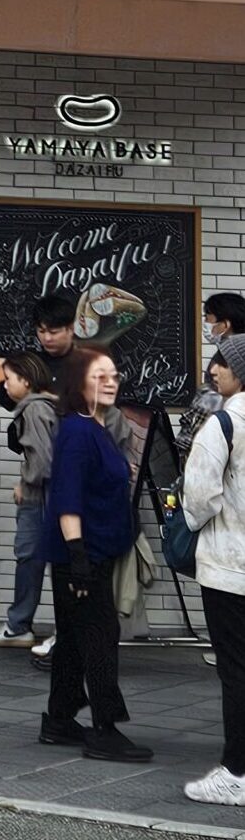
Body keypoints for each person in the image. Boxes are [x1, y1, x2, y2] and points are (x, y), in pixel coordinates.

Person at [40, 345, 149, 763]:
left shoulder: (94, 426)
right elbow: (67, 500)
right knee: (101, 639)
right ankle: (105, 728)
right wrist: (79, 559)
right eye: (98, 375)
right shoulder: (78, 432)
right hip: (81, 557)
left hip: (91, 553)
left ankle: (59, 719)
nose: (110, 381)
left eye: (113, 374)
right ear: (76, 382)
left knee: (71, 639)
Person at [183, 332, 245, 804]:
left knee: (236, 669)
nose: (212, 372)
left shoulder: (224, 423)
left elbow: (199, 498)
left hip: (230, 566)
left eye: (221, 364)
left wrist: (200, 521)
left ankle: (237, 771)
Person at [0, 352, 57, 648]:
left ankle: (18, 625)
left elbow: (43, 461)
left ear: (25, 380)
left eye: (8, 379)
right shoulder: (47, 405)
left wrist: (25, 483)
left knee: (29, 558)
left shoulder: (34, 410)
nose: (4, 385)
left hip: (40, 499)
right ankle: (19, 623)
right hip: (48, 498)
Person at [34, 296, 80, 388]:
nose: (47, 338)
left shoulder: (88, 364)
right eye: (41, 331)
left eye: (53, 332)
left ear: (71, 329)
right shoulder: (32, 364)